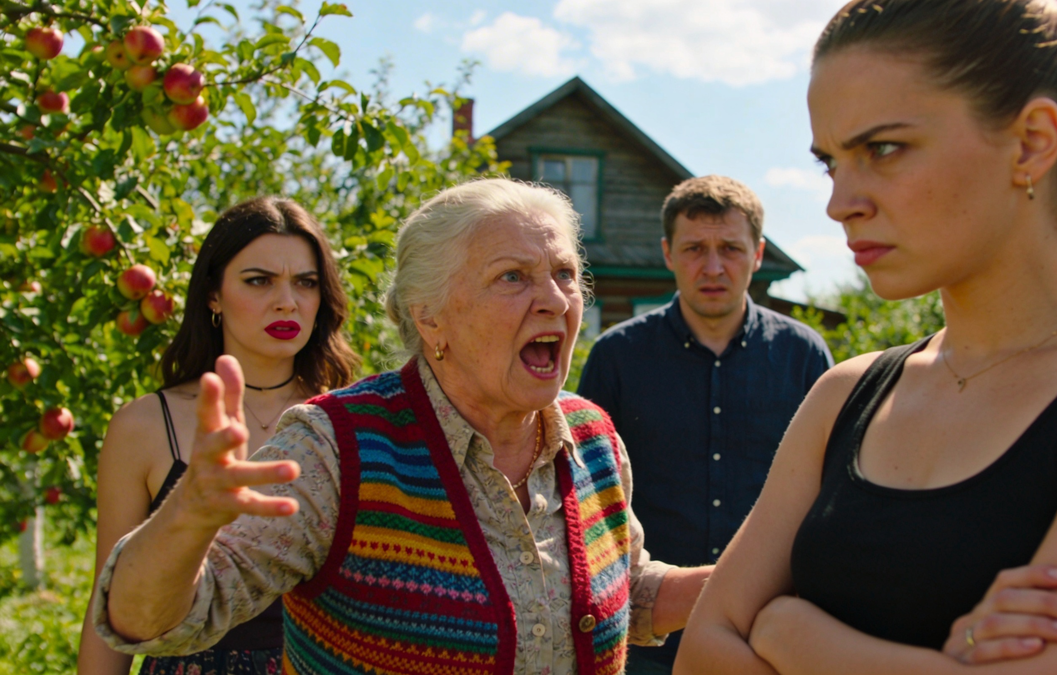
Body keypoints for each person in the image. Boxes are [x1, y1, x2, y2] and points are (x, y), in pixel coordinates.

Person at [677, 0, 1057, 673]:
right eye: (831, 163)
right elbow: (703, 651)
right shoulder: (846, 394)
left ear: (1031, 142)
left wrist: (789, 631)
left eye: (883, 149)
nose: (839, 203)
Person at [87, 179, 711, 674]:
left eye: (565, 273)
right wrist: (186, 519)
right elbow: (152, 621)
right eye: (512, 277)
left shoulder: (591, 437)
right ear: (430, 317)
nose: (554, 299)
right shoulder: (337, 447)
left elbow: (624, 586)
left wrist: (737, 582)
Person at [77, 197, 359, 675]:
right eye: (259, 280)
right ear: (213, 295)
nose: (287, 301)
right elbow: (111, 605)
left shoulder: (354, 420)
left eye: (305, 282)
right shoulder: (144, 426)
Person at [577, 175, 832, 673]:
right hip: (644, 642)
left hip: (768, 631)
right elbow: (587, 498)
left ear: (758, 254)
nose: (713, 267)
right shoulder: (617, 357)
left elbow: (828, 493)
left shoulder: (803, 356)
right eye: (694, 248)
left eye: (730, 249)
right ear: (668, 253)